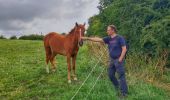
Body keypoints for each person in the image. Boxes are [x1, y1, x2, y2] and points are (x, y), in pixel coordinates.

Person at [81, 25, 128, 97]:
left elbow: (124, 49)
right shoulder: (108, 39)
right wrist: (87, 38)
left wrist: (120, 59)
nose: (107, 31)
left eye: (108, 30)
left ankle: (124, 94)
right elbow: (98, 39)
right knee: (110, 74)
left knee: (121, 76)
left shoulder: (119, 38)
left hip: (119, 60)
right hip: (112, 60)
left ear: (113, 30)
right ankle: (117, 86)